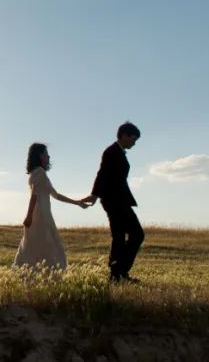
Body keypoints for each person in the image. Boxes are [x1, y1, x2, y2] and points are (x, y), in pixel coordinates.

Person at [14, 142, 93, 271]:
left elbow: (56, 195)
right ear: (40, 156)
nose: (49, 157)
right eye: (46, 154)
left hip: (43, 215)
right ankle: (43, 274)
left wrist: (77, 202)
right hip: (40, 216)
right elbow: (34, 195)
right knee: (47, 245)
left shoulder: (37, 173)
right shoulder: (39, 172)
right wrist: (29, 216)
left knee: (37, 245)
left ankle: (34, 274)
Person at [83, 121, 144, 283]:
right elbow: (102, 173)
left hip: (117, 200)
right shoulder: (111, 152)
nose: (134, 142)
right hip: (114, 201)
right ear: (124, 136)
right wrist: (94, 195)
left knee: (122, 236)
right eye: (133, 139)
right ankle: (118, 273)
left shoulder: (118, 152)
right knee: (134, 234)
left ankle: (118, 273)